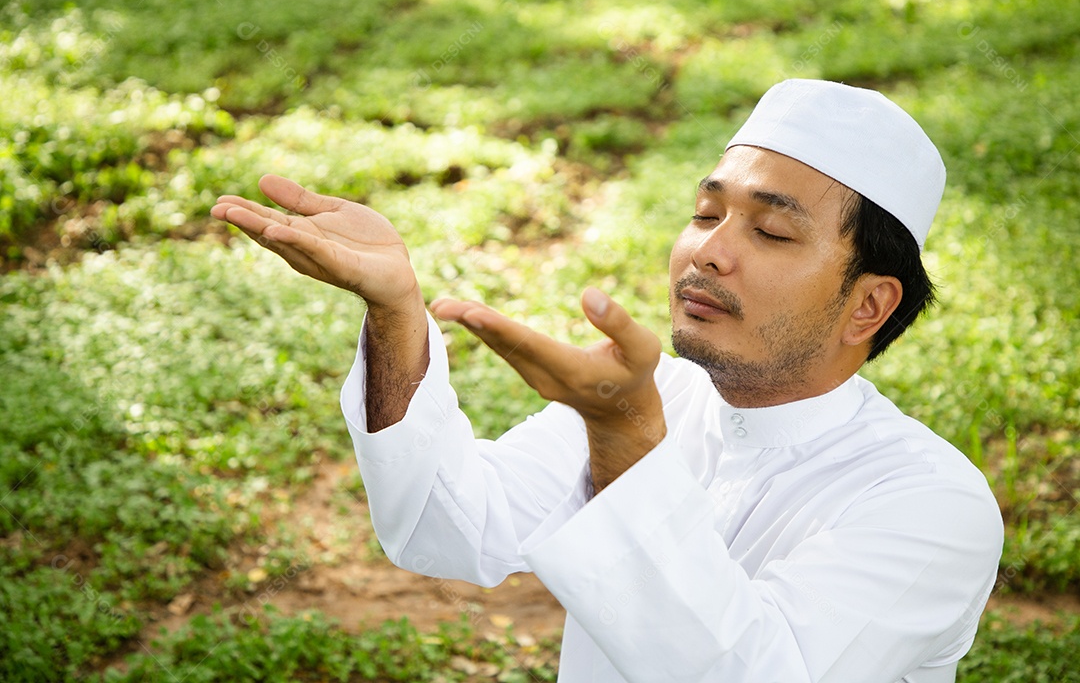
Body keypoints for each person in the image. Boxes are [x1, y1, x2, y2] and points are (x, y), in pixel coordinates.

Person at [211, 79, 1004, 683]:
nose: (709, 253)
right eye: (704, 214)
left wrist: (626, 440)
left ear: (868, 303)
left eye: (769, 230)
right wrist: (395, 314)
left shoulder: (932, 505)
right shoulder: (669, 400)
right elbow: (440, 525)